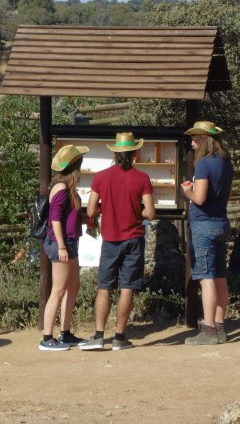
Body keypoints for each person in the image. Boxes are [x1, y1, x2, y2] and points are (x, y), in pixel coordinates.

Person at [80, 132, 156, 351]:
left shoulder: (101, 177)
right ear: (134, 153)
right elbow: (150, 213)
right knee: (127, 287)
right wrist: (133, 211)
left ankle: (98, 335)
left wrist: (109, 209)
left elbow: (91, 210)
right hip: (133, 239)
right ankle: (119, 337)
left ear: (114, 153)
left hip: (110, 240)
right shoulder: (142, 178)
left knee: (104, 287)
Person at [180, 121, 234, 345]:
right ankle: (220, 326)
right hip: (221, 222)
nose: (191, 143)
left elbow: (200, 198)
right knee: (220, 276)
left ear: (203, 140)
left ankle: (209, 328)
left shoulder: (203, 165)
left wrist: (187, 191)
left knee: (206, 277)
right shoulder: (226, 162)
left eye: (195, 139)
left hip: (204, 226)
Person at [39, 144, 90, 351]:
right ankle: (47, 337)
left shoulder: (67, 188)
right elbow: (55, 219)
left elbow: (67, 217)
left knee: (72, 286)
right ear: (75, 166)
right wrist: (61, 246)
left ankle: (66, 333)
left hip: (69, 241)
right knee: (58, 289)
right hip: (61, 243)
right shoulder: (61, 188)